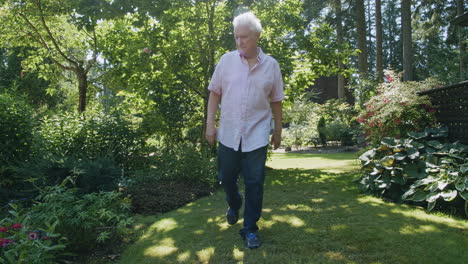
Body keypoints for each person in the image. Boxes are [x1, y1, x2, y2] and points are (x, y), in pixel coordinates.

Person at [205, 11, 284, 249]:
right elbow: (214, 93)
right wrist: (210, 124)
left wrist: (277, 130)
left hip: (257, 133)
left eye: (245, 37)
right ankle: (234, 201)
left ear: (257, 36)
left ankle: (250, 228)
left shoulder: (271, 66)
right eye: (236, 37)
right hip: (229, 133)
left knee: (255, 181)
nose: (240, 42)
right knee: (226, 177)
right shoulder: (226, 61)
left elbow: (277, 101)